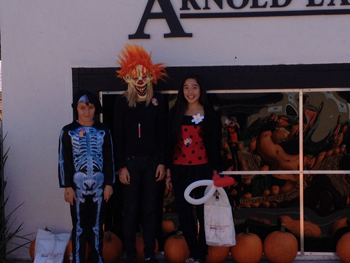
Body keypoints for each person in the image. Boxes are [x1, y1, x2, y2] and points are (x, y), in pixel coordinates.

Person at [113, 44, 168, 263]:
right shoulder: (122, 102)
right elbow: (117, 137)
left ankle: (149, 255)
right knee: (130, 210)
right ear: (127, 78)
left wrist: (163, 163)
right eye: (135, 76)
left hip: (153, 163)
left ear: (151, 77)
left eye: (144, 75)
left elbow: (163, 135)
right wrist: (121, 167)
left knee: (150, 209)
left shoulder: (158, 102)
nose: (140, 80)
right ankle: (131, 254)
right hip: (130, 164)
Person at [165, 75, 221, 263]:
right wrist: (168, 171)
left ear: (200, 90)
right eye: (186, 88)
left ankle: (201, 254)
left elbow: (215, 143)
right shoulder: (175, 113)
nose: (190, 92)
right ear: (182, 91)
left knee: (204, 213)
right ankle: (192, 251)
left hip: (202, 169)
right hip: (179, 169)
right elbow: (168, 144)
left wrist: (215, 170)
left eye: (194, 87)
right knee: (184, 213)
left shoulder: (209, 113)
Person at [58, 90, 115, 263]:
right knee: (79, 227)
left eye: (90, 107)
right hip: (77, 187)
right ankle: (78, 259)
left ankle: (98, 259)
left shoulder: (103, 130)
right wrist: (67, 186)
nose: (86, 112)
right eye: (82, 108)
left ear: (95, 109)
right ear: (76, 108)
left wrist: (109, 183)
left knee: (97, 226)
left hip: (99, 186)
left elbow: (109, 158)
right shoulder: (68, 131)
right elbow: (63, 160)